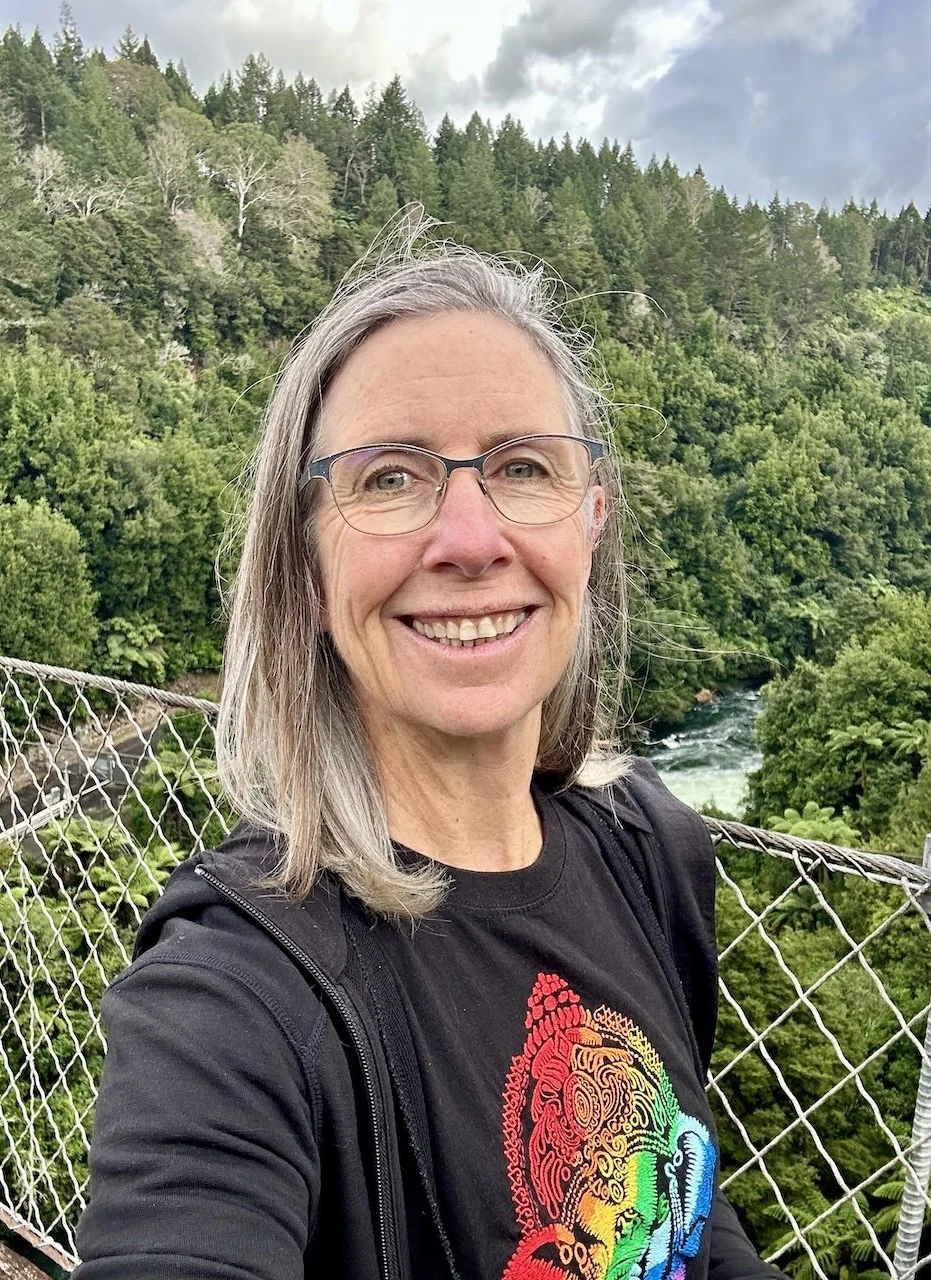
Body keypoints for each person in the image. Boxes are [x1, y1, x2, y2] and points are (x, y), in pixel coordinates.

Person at [74, 225, 785, 1280]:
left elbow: (687, 1226)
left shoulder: (651, 847)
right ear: (306, 567)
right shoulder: (239, 984)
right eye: (391, 478)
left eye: (523, 465)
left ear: (590, 522)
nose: (468, 537)